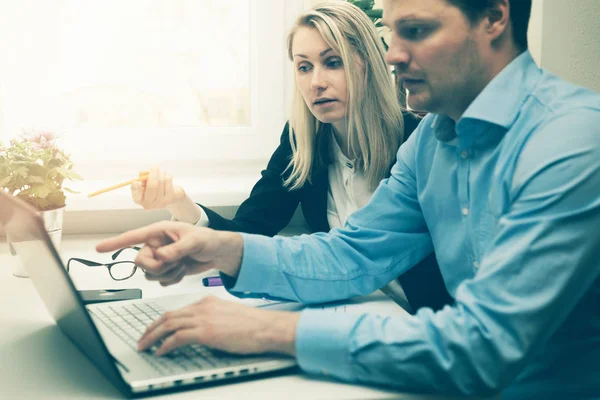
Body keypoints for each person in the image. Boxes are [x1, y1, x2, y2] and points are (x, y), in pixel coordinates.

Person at [97, 0, 600, 398]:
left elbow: (483, 347)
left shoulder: (574, 137)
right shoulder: (430, 142)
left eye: (416, 31)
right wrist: (218, 248)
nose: (392, 54)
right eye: (392, 33)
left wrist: (270, 332)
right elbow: (351, 253)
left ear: (494, 16)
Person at [130, 2, 452, 313]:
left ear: (366, 64)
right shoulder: (303, 142)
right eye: (304, 67)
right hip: (347, 310)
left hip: (417, 322)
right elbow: (249, 230)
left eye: (333, 62)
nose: (316, 82)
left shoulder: (419, 142)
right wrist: (180, 203)